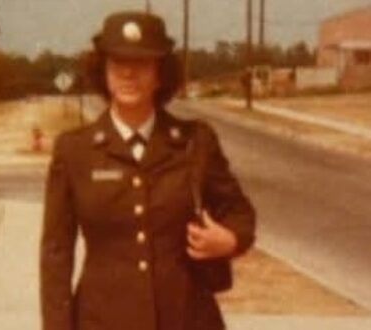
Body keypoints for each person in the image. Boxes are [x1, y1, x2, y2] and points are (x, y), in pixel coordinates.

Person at [40, 10, 256, 330]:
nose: (129, 73)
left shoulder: (195, 141)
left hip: (186, 317)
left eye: (141, 64)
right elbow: (56, 254)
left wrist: (231, 240)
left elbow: (239, 212)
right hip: (102, 320)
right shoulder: (74, 151)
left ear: (160, 74)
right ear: (104, 71)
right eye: (118, 63)